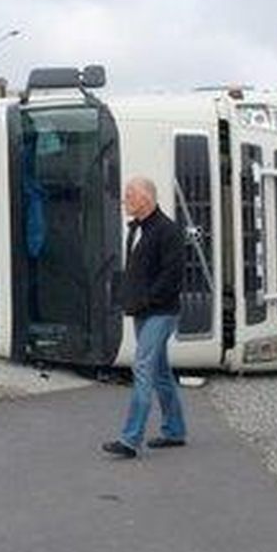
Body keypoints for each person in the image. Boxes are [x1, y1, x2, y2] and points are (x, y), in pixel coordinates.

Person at [102, 176, 188, 459]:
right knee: (161, 373)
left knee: (142, 367)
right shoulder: (136, 229)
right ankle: (174, 430)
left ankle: (130, 440)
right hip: (142, 311)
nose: (125, 200)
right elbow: (138, 272)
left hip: (161, 313)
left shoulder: (168, 231)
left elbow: (172, 276)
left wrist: (148, 300)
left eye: (129, 195)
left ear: (145, 200)